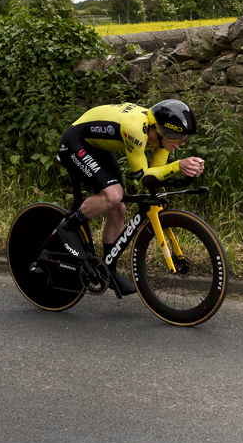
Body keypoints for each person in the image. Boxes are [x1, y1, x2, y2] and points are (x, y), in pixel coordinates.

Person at [50, 99, 204, 296]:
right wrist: (178, 166)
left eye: (184, 139)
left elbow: (155, 175)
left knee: (119, 208)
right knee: (114, 195)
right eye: (176, 137)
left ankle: (107, 269)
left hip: (99, 147)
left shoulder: (161, 139)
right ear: (159, 130)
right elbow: (143, 177)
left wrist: (184, 172)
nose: (180, 143)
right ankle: (68, 227)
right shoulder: (135, 129)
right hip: (76, 141)